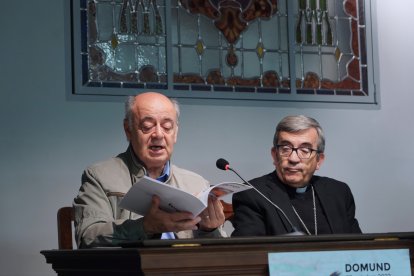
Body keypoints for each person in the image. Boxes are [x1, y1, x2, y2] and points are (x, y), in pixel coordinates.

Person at [73, 92, 226, 248]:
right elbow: (87, 237)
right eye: (147, 127)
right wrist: (144, 227)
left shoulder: (197, 184)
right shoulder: (100, 176)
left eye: (167, 127)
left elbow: (221, 256)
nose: (158, 134)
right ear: (128, 130)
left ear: (175, 133)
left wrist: (209, 230)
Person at [231, 115, 361, 236]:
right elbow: (250, 254)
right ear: (274, 155)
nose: (293, 158)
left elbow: (358, 248)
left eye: (305, 150)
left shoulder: (338, 192)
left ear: (319, 160)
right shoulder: (252, 194)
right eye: (285, 149)